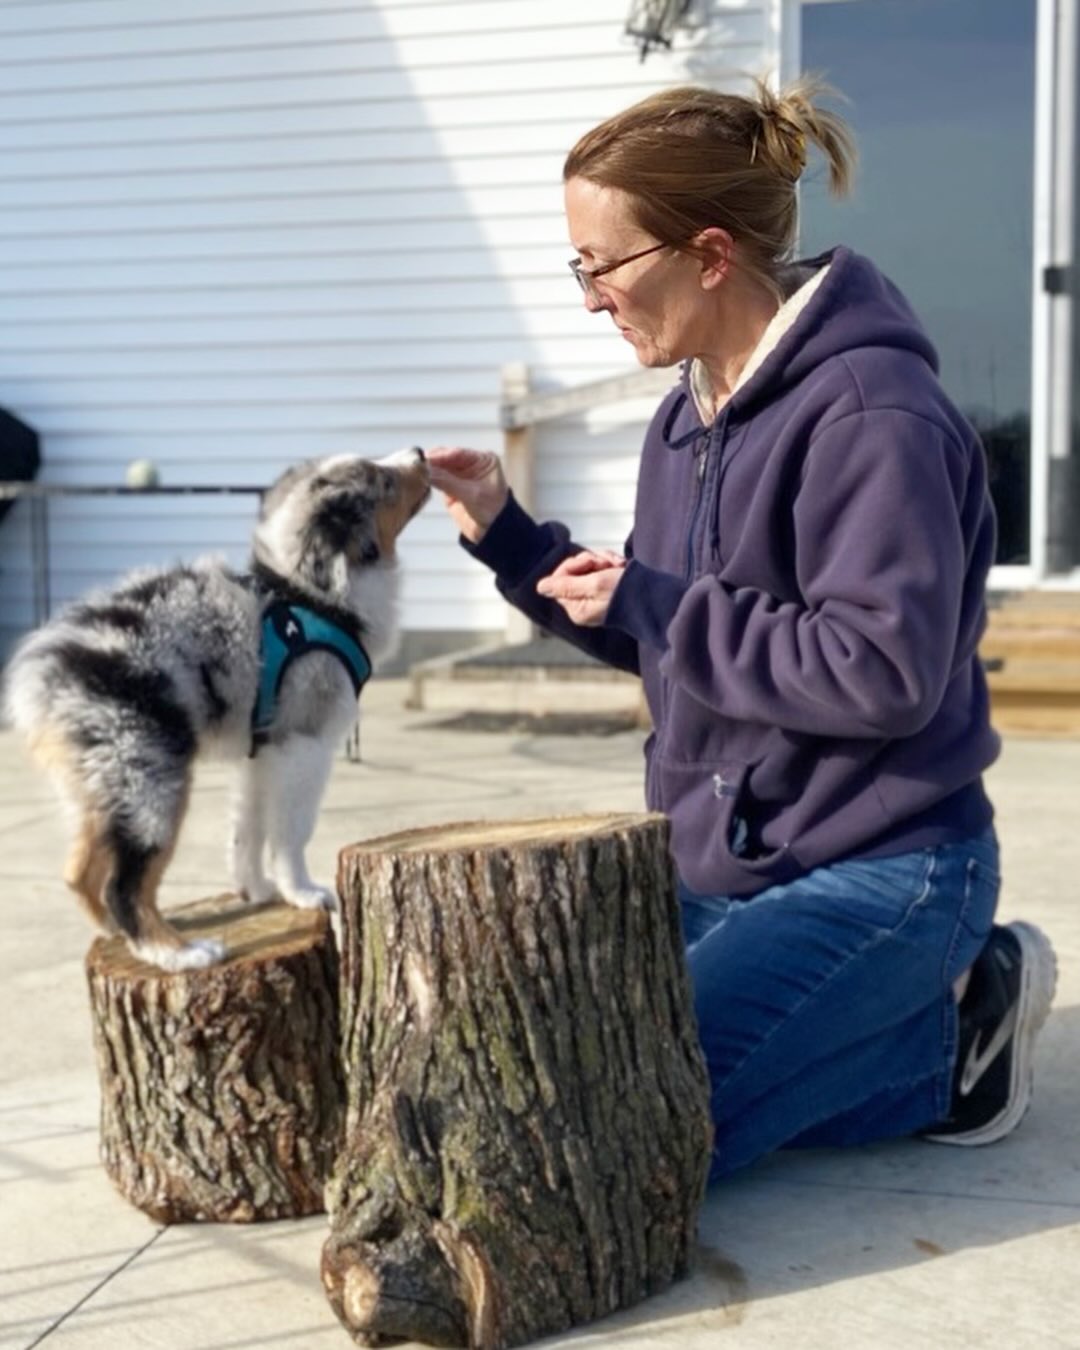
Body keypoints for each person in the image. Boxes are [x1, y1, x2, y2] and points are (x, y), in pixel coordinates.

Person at [426, 79, 1057, 1182]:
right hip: (721, 867)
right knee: (519, 1060)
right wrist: (512, 539)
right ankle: (892, 1035)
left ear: (710, 253)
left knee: (623, 1136)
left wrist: (655, 599)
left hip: (884, 869)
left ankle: (951, 1034)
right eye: (578, 267)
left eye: (603, 266)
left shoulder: (873, 418)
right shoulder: (685, 418)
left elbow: (880, 672)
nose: (589, 298)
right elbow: (677, 639)